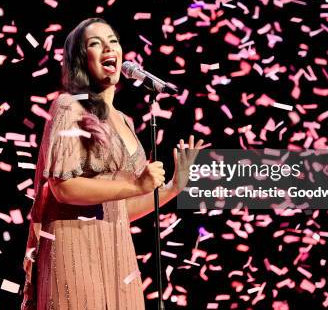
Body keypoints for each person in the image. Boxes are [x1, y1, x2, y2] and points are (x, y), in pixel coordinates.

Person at [21, 18, 203, 310]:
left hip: (117, 254)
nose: (109, 47)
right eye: (95, 43)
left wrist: (171, 189)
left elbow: (118, 208)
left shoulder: (126, 121)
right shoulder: (69, 106)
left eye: (113, 40)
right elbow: (63, 188)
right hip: (75, 250)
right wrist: (134, 183)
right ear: (80, 59)